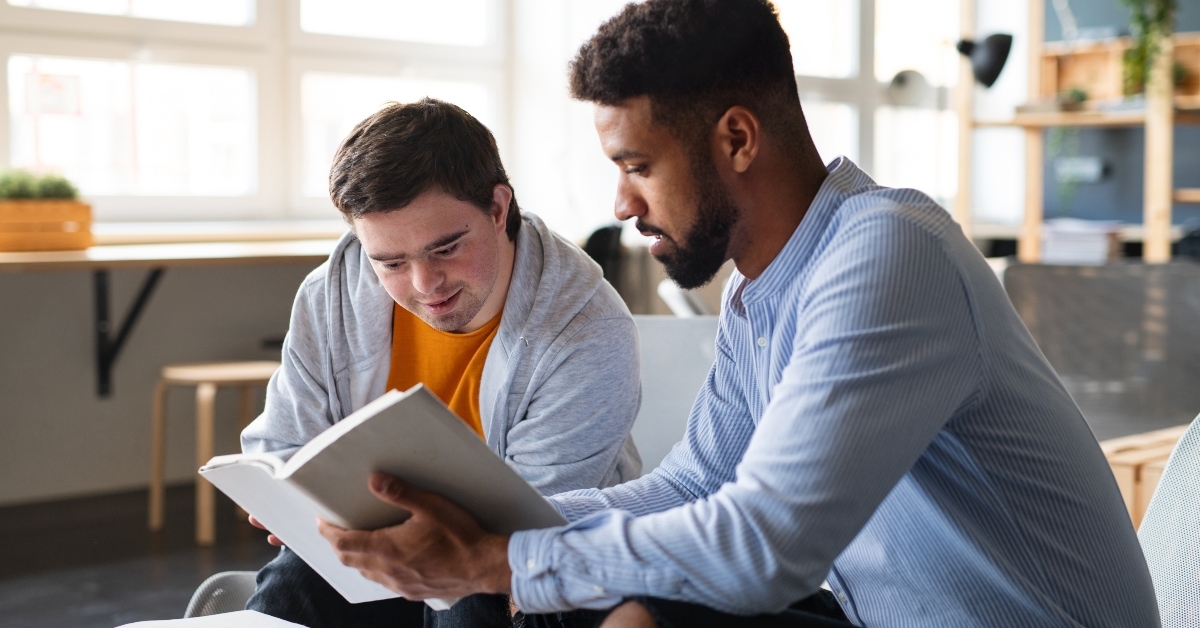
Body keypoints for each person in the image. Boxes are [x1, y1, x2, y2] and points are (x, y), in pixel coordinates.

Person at [314, 1, 1161, 626]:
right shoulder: (761, 294)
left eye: (637, 164)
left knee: (619, 602)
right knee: (582, 595)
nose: (623, 202)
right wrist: (489, 523)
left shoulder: (888, 252)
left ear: (737, 139)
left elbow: (764, 542)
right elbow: (696, 483)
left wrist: (502, 556)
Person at [239, 98, 642, 627]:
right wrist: (289, 500)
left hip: (515, 566)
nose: (426, 286)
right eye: (391, 262)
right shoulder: (330, 296)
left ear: (498, 210)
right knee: (293, 584)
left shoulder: (587, 327)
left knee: (470, 606)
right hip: (376, 547)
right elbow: (283, 443)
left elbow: (532, 525)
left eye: (447, 248)